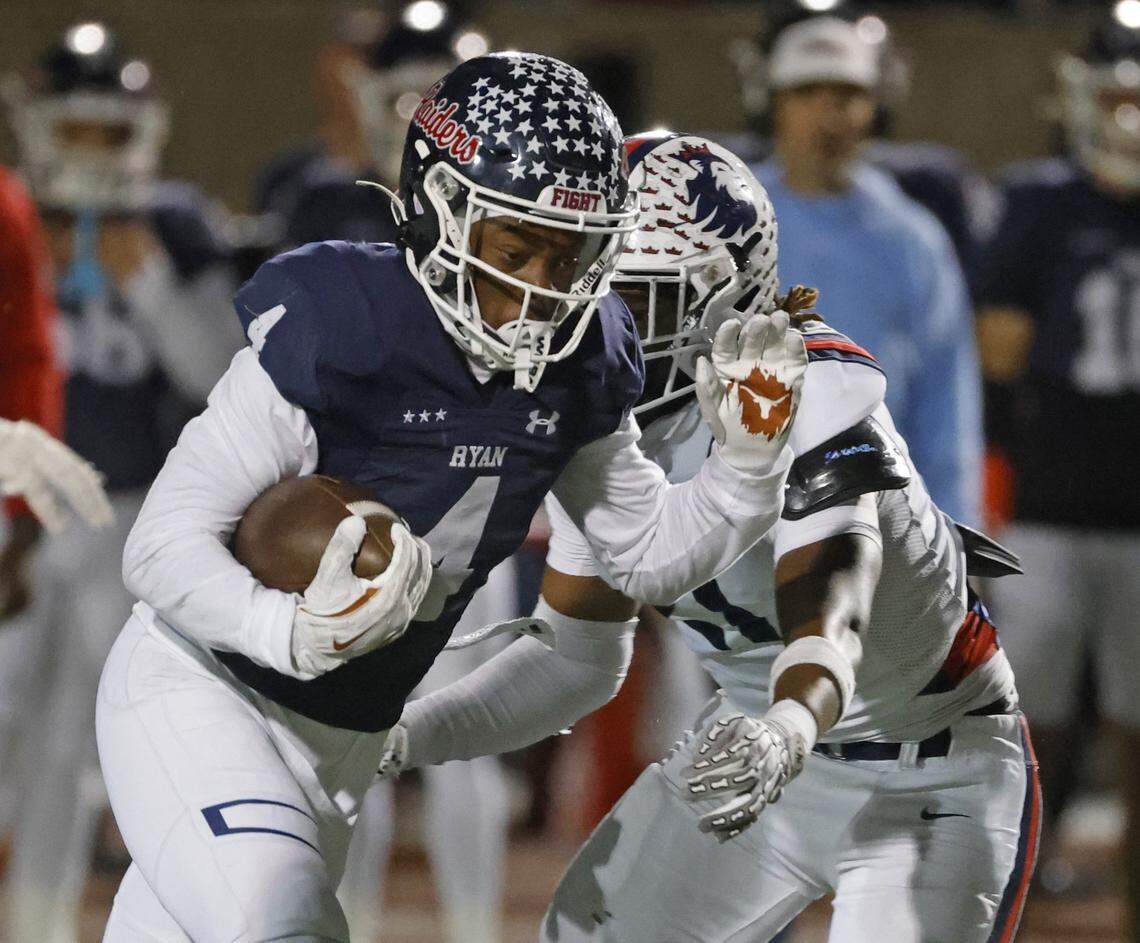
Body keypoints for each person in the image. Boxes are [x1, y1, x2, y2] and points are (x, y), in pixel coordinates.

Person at [94, 53, 808, 941]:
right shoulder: (349, 320)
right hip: (205, 687)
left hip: (343, 740)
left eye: (572, 255)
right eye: (517, 249)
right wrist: (288, 629)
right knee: (282, 926)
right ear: (438, 209)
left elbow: (644, 555)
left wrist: (747, 466)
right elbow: (159, 547)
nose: (540, 293)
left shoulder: (581, 360)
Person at [381, 132, 1038, 943]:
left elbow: (833, 602)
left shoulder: (810, 388)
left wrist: (789, 725)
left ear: (724, 298)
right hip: (754, 736)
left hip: (927, 761)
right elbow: (571, 661)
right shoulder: (598, 427)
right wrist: (400, 733)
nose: (598, 323)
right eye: (586, 286)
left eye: (635, 299)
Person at [0, 23, 244, 943]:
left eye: (112, 130)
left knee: (78, 747)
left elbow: (219, 374)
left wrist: (152, 288)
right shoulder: (9, 213)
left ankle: (39, 925)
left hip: (127, 514)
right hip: (11, 512)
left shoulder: (175, 224)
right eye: (79, 130)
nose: (96, 153)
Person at [975, 9, 1140, 935]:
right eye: (1118, 99)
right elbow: (998, 346)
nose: (1130, 122)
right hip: (1047, 502)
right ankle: (1005, 903)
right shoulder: (1042, 203)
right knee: (1021, 726)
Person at [748, 14, 982, 525]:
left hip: (883, 508)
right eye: (808, 92)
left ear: (875, 108)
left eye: (847, 95)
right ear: (775, 104)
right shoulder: (735, 221)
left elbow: (947, 399)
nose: (828, 115)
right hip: (746, 502)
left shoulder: (912, 238)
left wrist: (959, 527)